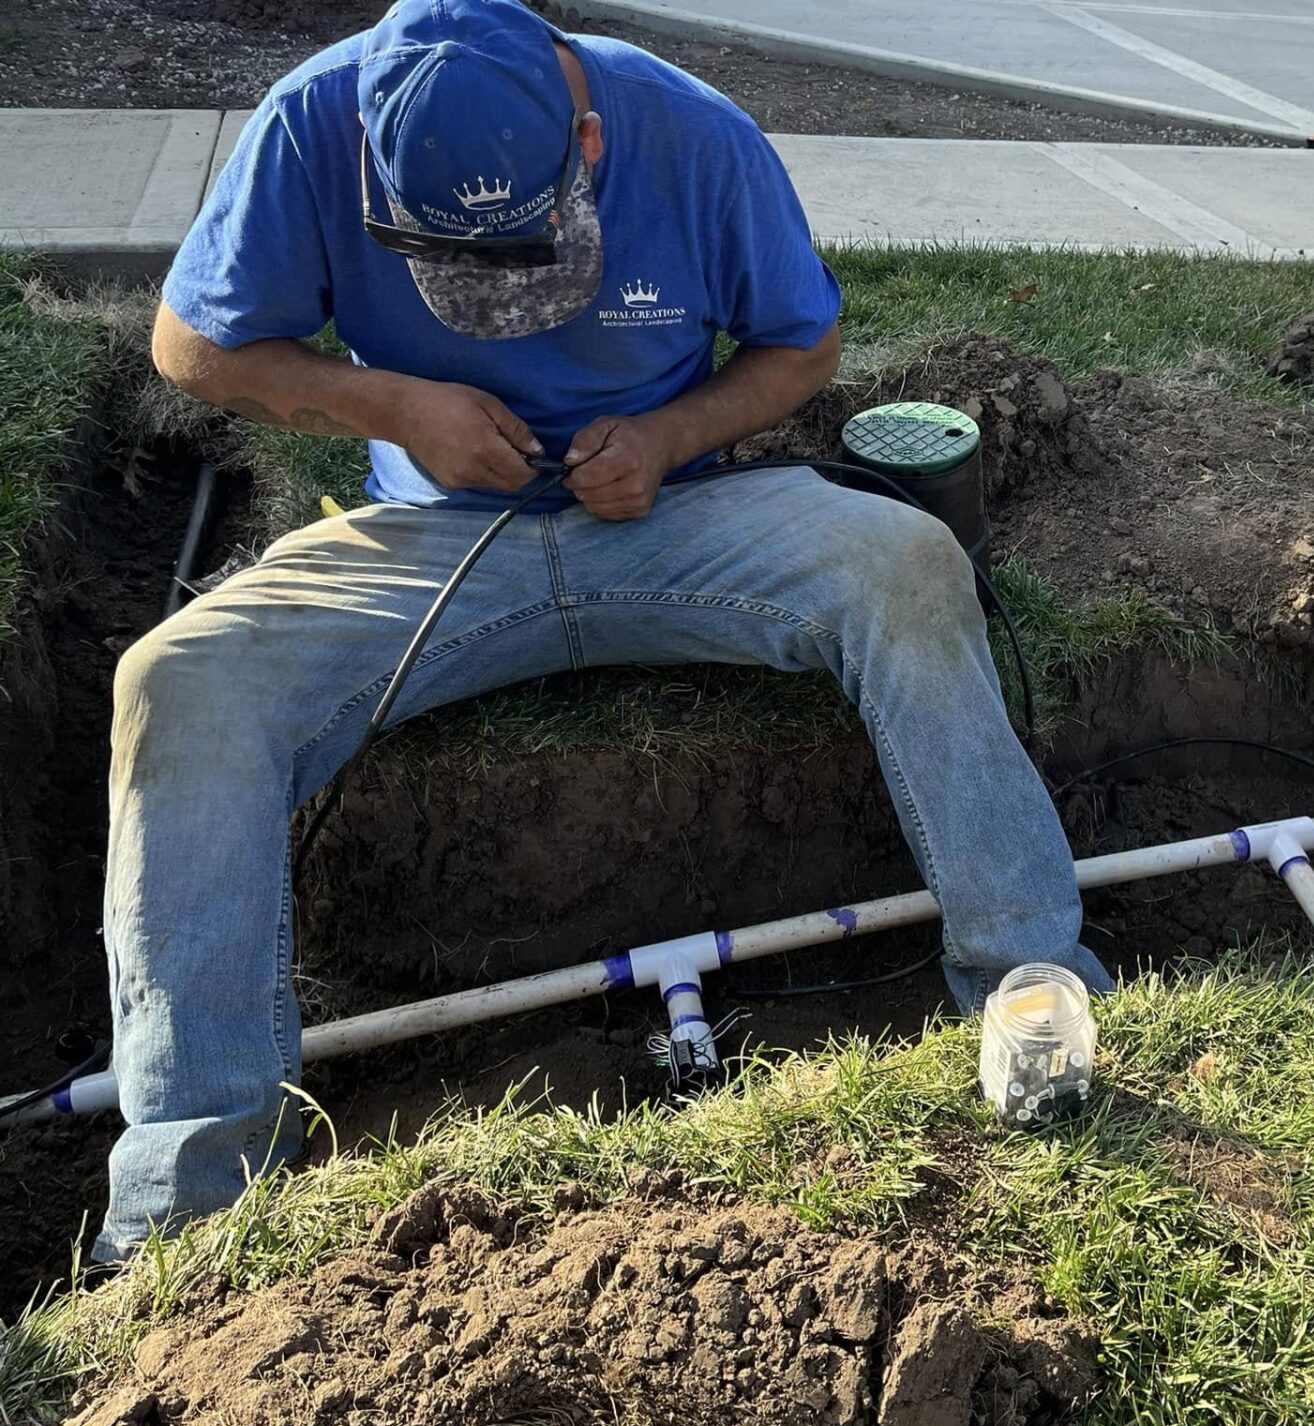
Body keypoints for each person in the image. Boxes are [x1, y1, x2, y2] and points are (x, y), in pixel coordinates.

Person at [114, 0, 1110, 1263]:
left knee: (905, 563)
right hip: (431, 537)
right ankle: (186, 1201)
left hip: (681, 512)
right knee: (177, 684)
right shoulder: (311, 123)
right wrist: (397, 404)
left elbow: (802, 345)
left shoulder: (694, 135)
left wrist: (668, 438)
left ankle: (1034, 990)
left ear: (584, 138)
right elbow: (190, 343)